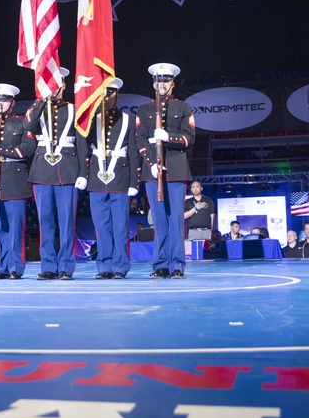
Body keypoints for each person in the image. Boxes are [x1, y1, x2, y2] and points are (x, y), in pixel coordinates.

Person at [25, 68, 86, 280]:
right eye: (50, 82)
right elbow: (28, 126)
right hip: (42, 171)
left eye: (57, 83)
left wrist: (83, 171)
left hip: (68, 170)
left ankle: (66, 267)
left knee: (67, 222)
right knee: (46, 223)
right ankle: (48, 266)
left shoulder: (74, 109)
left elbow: (82, 142)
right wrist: (42, 99)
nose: (54, 87)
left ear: (64, 85)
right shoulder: (38, 108)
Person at [136, 62, 195, 279]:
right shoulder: (144, 109)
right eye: (158, 80)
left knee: (175, 219)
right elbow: (140, 139)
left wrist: (169, 137)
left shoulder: (183, 107)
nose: (162, 84)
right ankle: (160, 264)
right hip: (153, 172)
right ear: (153, 83)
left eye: (166, 80)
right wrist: (152, 163)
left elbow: (190, 137)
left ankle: (177, 264)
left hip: (176, 169)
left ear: (173, 83)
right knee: (159, 220)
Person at [76, 78, 139, 279]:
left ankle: (120, 266)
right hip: (96, 178)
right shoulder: (91, 120)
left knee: (120, 226)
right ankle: (104, 266)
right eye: (103, 93)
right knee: (101, 226)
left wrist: (134, 182)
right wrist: (83, 174)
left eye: (110, 93)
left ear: (117, 95)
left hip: (120, 177)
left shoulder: (128, 120)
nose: (106, 97)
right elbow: (82, 148)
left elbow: (134, 152)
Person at [0, 83, 35, 279]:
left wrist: (1, 149)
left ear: (12, 102)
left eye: (5, 100)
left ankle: (16, 267)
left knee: (16, 228)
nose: (1, 104)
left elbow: (28, 149)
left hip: (15, 180)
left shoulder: (21, 124)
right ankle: (2, 265)